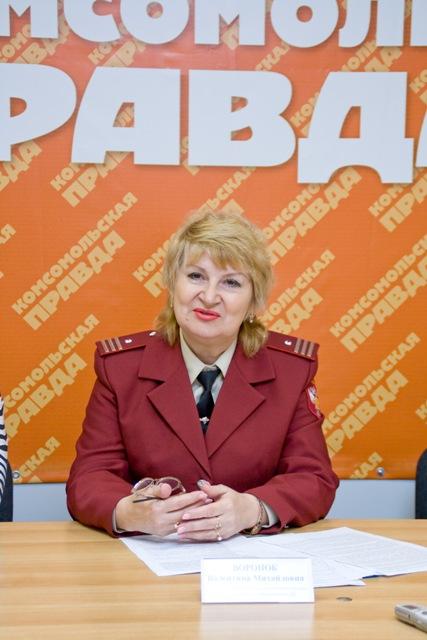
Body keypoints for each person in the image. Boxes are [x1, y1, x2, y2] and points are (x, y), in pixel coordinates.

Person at [66, 210, 338, 540]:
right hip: (155, 555)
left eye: (231, 282)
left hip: (250, 560)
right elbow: (89, 477)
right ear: (172, 284)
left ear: (254, 300)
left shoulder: (290, 371)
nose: (209, 297)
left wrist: (252, 509)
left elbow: (314, 479)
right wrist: (129, 512)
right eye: (196, 276)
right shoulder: (120, 368)